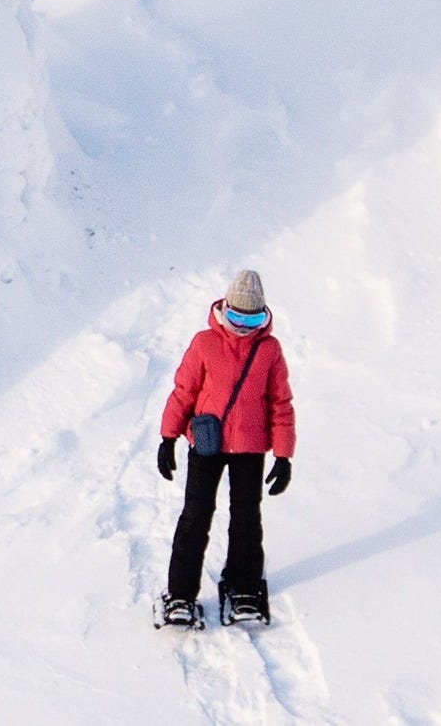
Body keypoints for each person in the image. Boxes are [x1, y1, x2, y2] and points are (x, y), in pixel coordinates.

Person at [152, 268, 293, 629]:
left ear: (265, 316)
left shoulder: (269, 350)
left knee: (246, 518)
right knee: (195, 516)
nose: (244, 327)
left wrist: (283, 454)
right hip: (207, 444)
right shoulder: (204, 343)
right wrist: (168, 437)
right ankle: (181, 593)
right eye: (236, 318)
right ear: (223, 308)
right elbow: (183, 391)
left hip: (250, 446)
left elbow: (280, 402)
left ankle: (243, 585)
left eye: (254, 319)